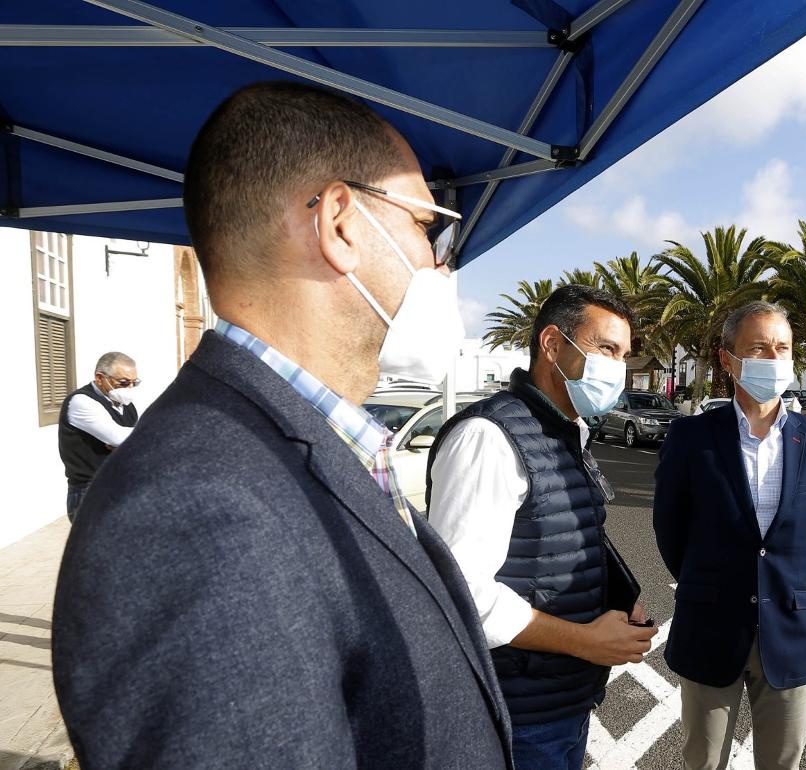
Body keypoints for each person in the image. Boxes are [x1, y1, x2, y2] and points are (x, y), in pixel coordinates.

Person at [52, 82, 511, 768]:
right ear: (341, 225)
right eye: (428, 226)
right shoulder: (198, 512)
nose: (442, 262)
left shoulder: (293, 448)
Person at [427, 284, 658, 770]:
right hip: (518, 715)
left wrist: (616, 593)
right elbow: (460, 594)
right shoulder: (489, 437)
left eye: (625, 353)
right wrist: (586, 641)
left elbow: (553, 536)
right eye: (606, 349)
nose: (620, 366)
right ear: (553, 345)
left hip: (563, 703)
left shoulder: (566, 431)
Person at [653, 301, 806, 770]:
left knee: (783, 762)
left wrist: (778, 582)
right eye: (758, 348)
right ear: (727, 359)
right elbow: (669, 529)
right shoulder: (690, 438)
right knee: (702, 760)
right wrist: (712, 582)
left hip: (788, 628)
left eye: (782, 348)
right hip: (709, 626)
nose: (772, 358)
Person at [58, 352, 141, 521]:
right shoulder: (80, 402)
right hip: (89, 493)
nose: (130, 388)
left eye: (134, 383)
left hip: (119, 487)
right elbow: (118, 437)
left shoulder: (127, 406)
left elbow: (132, 442)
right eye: (124, 382)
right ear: (100, 378)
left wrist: (129, 443)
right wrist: (127, 442)